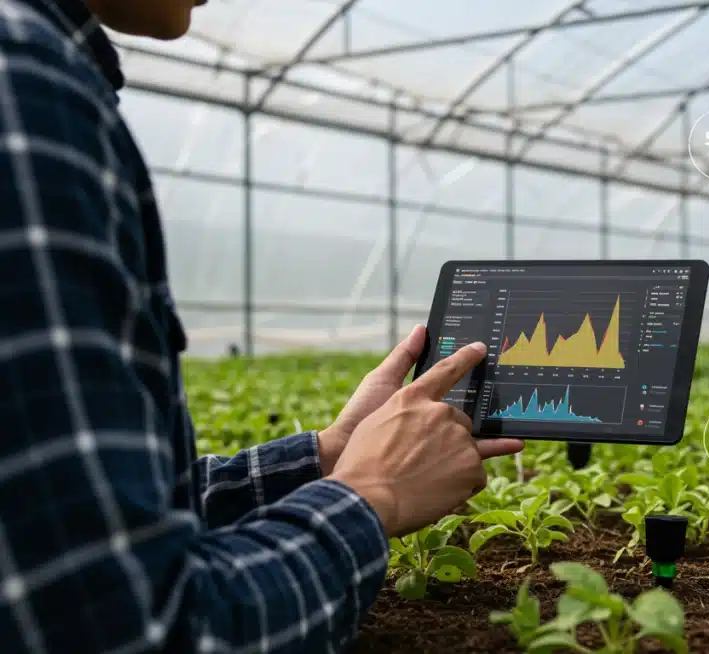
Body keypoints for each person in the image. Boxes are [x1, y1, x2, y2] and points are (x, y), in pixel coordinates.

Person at [0, 1, 524, 652]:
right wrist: (368, 496)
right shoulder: (25, 85)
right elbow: (134, 629)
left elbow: (79, 521)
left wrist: (329, 454)